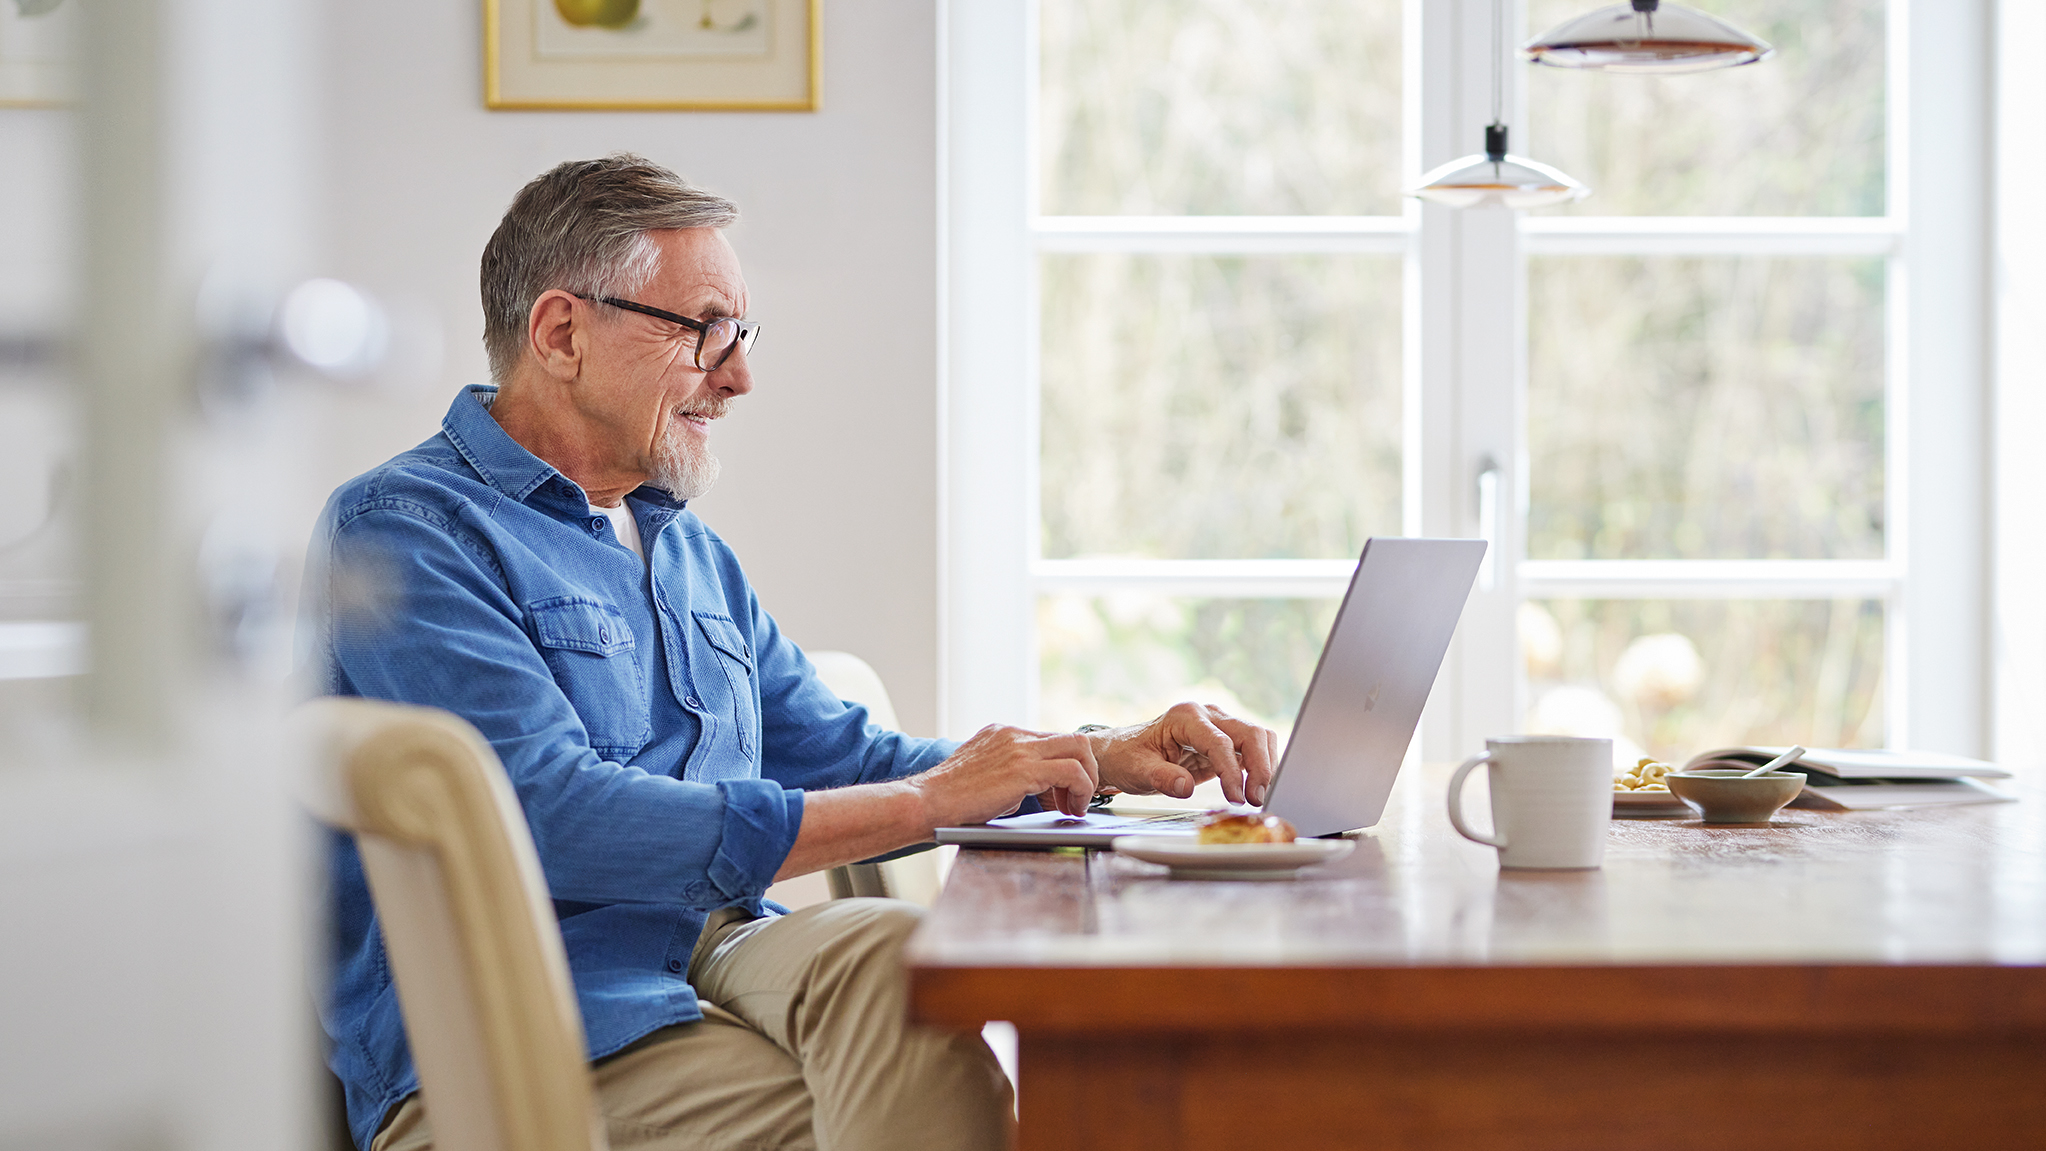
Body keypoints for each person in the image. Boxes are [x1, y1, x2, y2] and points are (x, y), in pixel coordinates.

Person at [312, 154, 1280, 1151]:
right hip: (529, 1034)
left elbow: (846, 757)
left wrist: (1101, 756)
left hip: (720, 953)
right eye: (704, 331)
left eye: (741, 335)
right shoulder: (407, 532)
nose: (738, 376)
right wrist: (929, 801)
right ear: (562, 334)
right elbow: (556, 817)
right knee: (956, 1102)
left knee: (898, 954)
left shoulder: (684, 547)